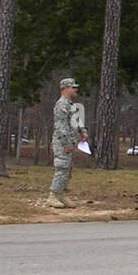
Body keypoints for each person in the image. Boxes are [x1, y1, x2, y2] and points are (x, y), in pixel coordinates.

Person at [46, 77, 88, 208]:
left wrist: (83, 131)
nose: (75, 90)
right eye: (73, 87)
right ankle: (53, 195)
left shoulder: (71, 105)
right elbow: (61, 126)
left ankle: (62, 194)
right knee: (62, 168)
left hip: (70, 141)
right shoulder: (61, 105)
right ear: (65, 89)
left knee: (68, 170)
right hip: (62, 143)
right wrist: (66, 145)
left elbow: (76, 120)